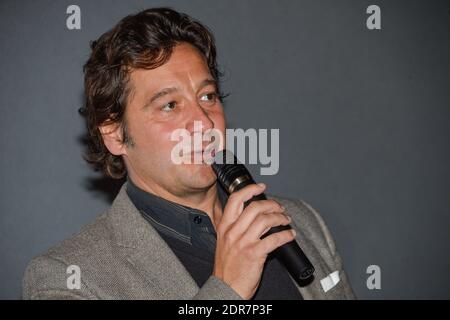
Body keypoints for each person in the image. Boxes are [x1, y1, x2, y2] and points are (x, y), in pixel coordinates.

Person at [23, 7, 355, 300]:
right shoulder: (68, 276)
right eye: (169, 105)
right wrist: (228, 288)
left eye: (208, 97)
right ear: (114, 134)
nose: (202, 121)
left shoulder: (302, 221)